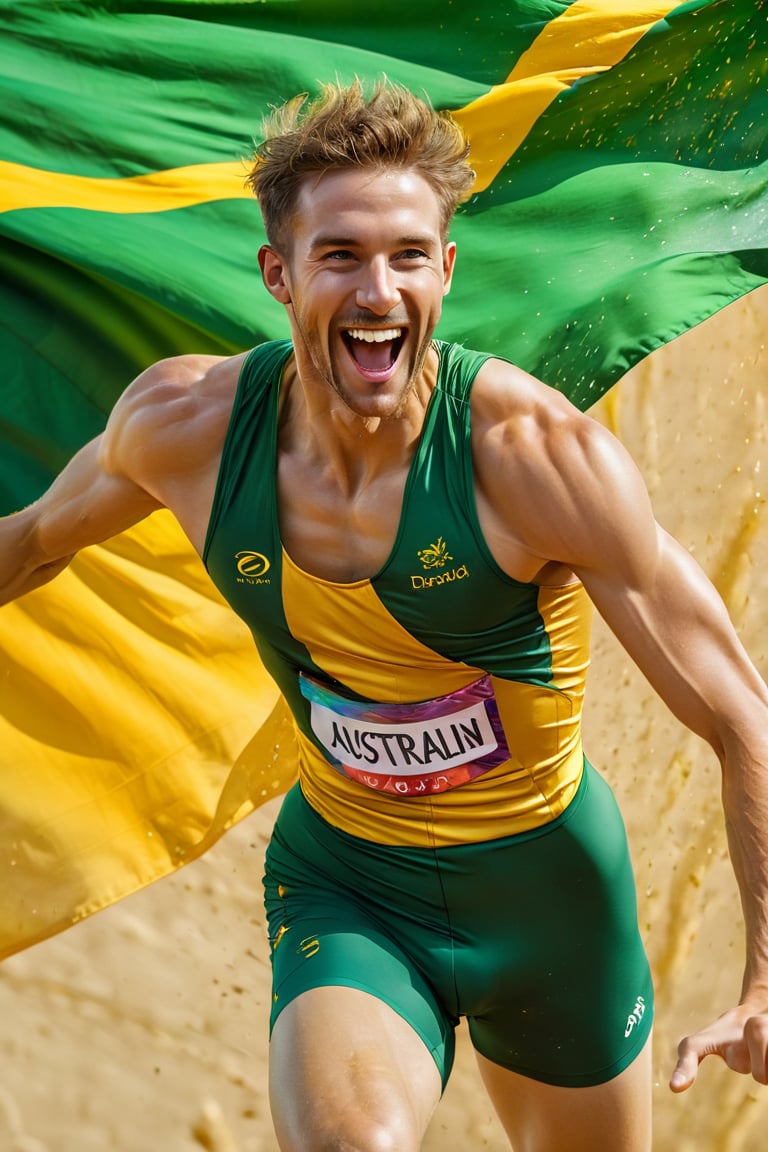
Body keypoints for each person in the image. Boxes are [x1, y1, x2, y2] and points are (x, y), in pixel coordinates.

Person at [2, 78, 768, 1152]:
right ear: (280, 274)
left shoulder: (534, 461)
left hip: (550, 897)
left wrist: (767, 978)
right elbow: (31, 543)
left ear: (446, 271)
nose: (379, 289)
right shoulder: (188, 429)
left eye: (409, 255)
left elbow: (743, 715)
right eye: (342, 256)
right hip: (350, 884)